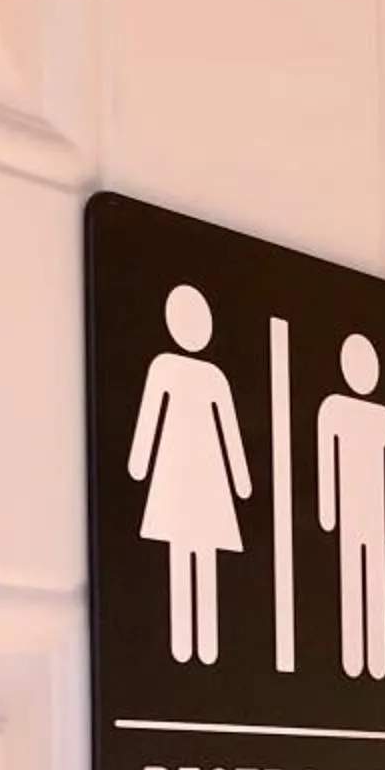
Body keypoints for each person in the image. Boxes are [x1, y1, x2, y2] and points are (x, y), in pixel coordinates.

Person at [127, 284, 253, 666]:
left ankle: (206, 645)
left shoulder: (214, 377)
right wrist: (140, 463)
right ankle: (184, 644)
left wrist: (241, 479)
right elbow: (149, 418)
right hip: (177, 479)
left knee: (203, 557)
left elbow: (229, 431)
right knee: (181, 556)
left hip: (207, 479)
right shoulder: (164, 368)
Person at [316, 334, 385, 680]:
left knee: (374, 580)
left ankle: (377, 659)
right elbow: (327, 463)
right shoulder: (332, 410)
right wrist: (327, 512)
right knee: (351, 579)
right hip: (351, 515)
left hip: (373, 516)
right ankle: (353, 656)